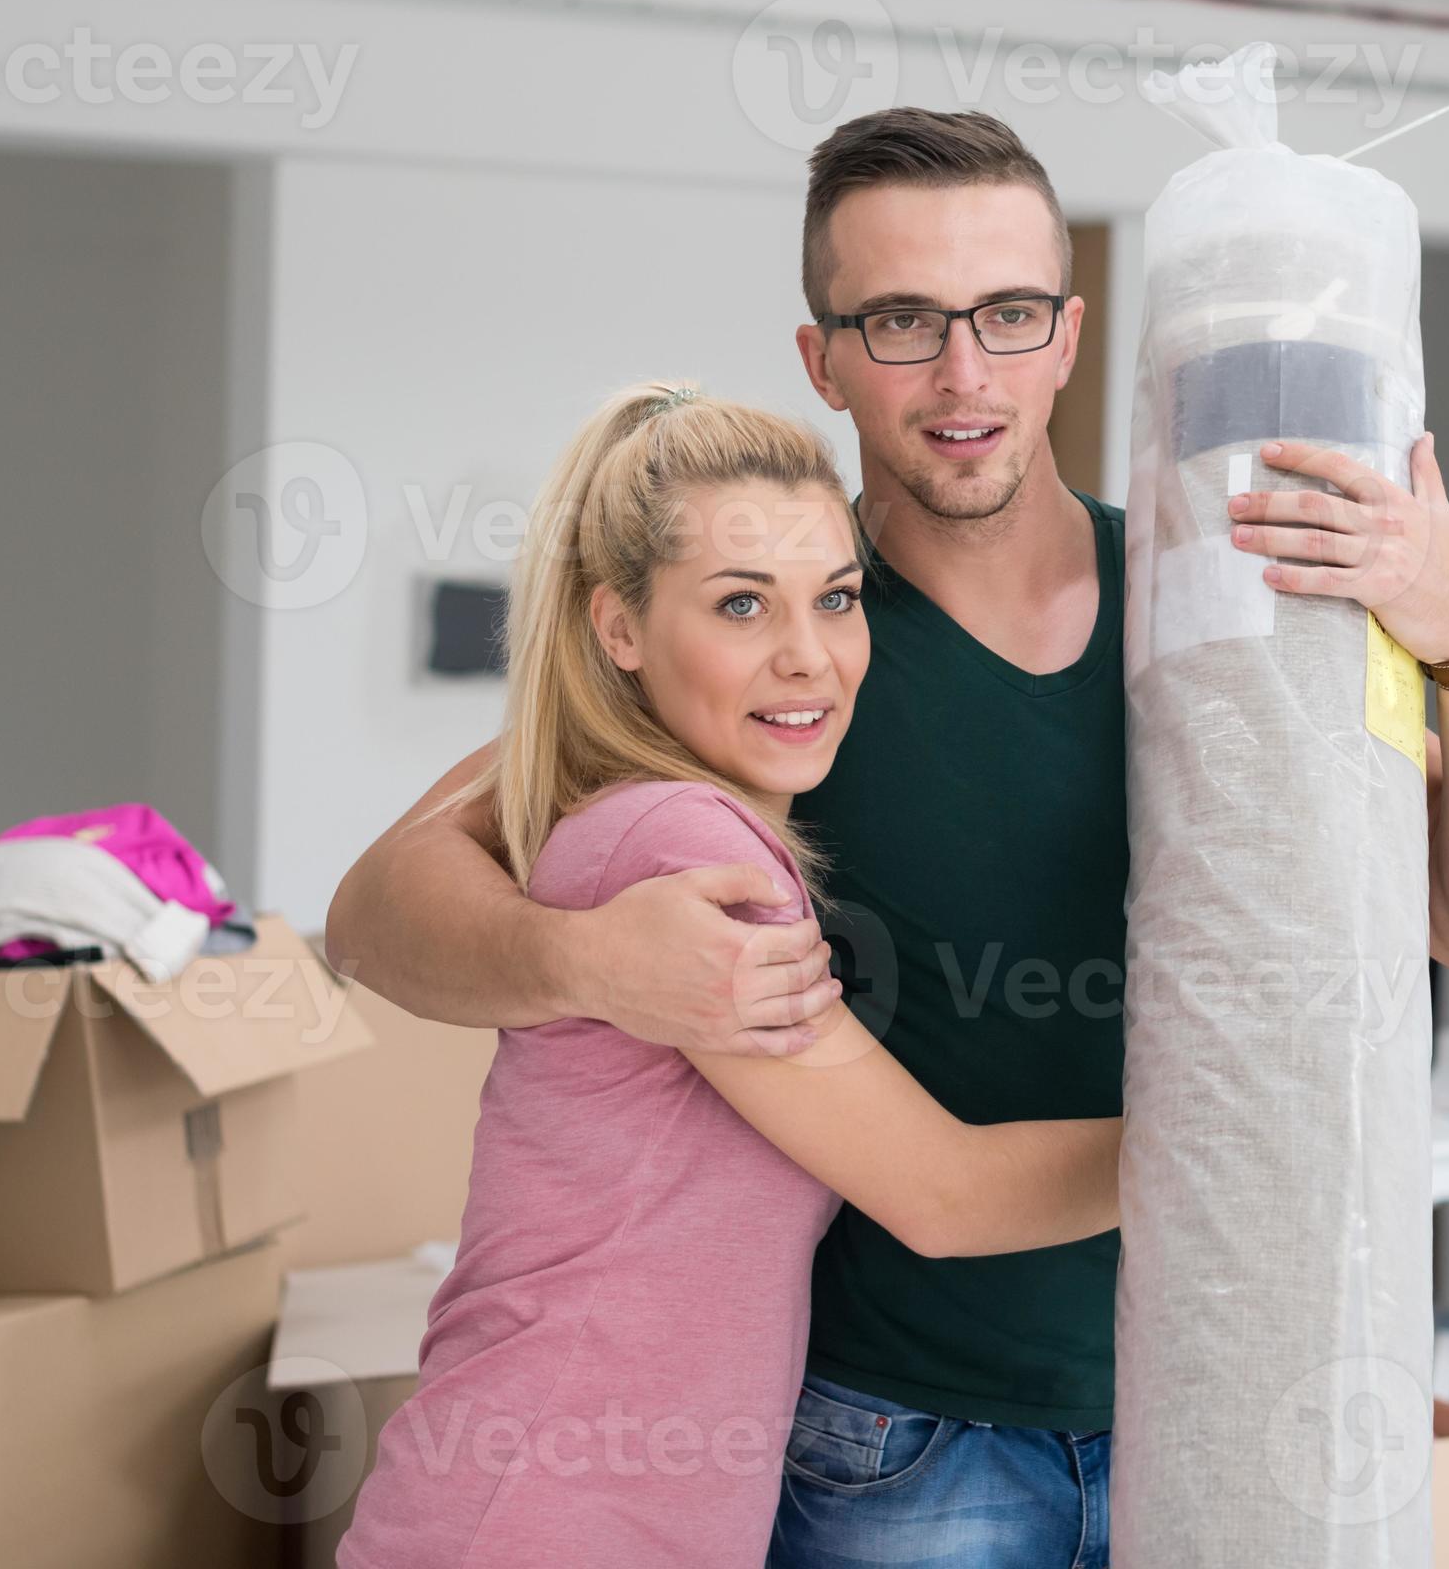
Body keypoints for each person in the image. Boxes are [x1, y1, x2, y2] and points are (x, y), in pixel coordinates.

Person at [328, 109, 1449, 1567]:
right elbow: (376, 912)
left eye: (1006, 313)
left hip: (1217, 1401)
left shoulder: (1215, 608)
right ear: (825, 359)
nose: (964, 373)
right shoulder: (777, 650)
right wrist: (590, 962)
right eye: (904, 321)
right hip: (896, 1444)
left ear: (1067, 333)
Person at [338, 382, 1122, 1567]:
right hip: (542, 1520)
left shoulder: (655, 814)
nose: (807, 658)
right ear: (619, 630)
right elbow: (945, 1193)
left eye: (838, 599)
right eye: (742, 605)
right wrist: (1241, 1128)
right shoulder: (689, 851)